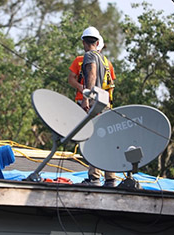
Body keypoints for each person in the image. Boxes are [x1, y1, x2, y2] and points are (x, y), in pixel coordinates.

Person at [79, 26, 116, 187]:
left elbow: (92, 72)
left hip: (95, 103)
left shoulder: (89, 56)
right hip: (106, 102)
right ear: (98, 41)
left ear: (83, 42)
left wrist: (87, 96)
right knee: (106, 139)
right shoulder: (104, 59)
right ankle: (111, 178)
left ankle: (94, 177)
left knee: (93, 140)